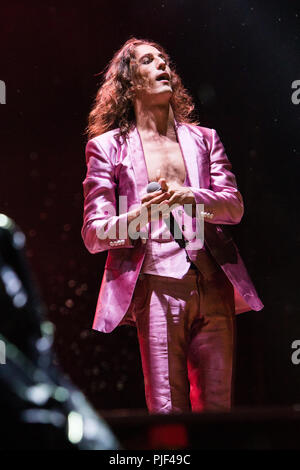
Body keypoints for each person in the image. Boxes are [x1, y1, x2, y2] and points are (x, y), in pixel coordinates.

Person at [81, 37, 263, 414]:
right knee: (167, 413)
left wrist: (189, 196)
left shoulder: (204, 139)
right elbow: (93, 233)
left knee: (218, 413)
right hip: (157, 286)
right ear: (129, 81)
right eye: (149, 61)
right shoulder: (107, 147)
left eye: (165, 60)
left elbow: (234, 208)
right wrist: (136, 218)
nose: (163, 65)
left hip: (213, 284)